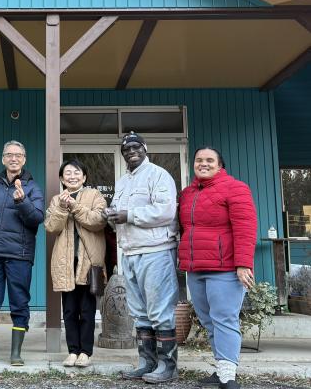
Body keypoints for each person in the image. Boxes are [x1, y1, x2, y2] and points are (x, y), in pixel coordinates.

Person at [178, 147, 257, 389]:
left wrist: (243, 264)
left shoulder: (236, 188)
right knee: (209, 321)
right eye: (199, 160)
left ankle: (228, 377)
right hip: (196, 268)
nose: (203, 164)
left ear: (220, 165)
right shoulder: (188, 193)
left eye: (209, 160)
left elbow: (246, 226)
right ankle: (222, 369)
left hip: (225, 268)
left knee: (224, 320)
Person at [105, 131, 179, 384]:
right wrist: (112, 215)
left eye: (136, 147)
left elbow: (166, 211)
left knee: (160, 310)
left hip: (156, 250)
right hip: (130, 251)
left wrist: (129, 215)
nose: (131, 151)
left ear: (145, 148)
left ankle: (167, 365)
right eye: (126, 149)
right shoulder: (123, 181)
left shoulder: (159, 175)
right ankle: (146, 363)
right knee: (139, 312)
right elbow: (119, 211)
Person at [0, 141, 44, 367]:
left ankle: (16, 353)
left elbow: (37, 219)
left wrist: (22, 201)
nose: (13, 159)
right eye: (9, 155)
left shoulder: (33, 188)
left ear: (24, 159)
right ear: (3, 159)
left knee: (19, 303)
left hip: (19, 255)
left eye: (18, 155)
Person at [45, 160, 107, 368]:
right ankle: (72, 351)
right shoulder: (56, 200)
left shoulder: (94, 196)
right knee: (70, 310)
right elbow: (52, 227)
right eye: (67, 173)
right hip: (65, 262)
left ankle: (86, 352)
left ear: (84, 177)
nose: (72, 176)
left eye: (76, 173)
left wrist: (75, 206)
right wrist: (63, 207)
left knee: (87, 311)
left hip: (89, 261)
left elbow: (98, 220)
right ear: (62, 179)